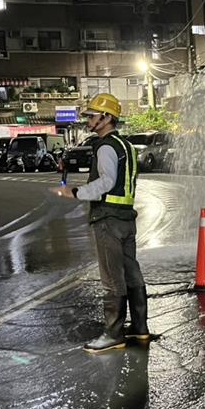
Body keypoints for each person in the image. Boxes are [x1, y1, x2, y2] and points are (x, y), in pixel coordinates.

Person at [51, 93, 151, 353]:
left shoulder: (106, 146)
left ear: (106, 118)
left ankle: (114, 334)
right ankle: (140, 327)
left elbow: (106, 182)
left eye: (92, 116)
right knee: (131, 272)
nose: (88, 120)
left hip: (108, 219)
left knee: (111, 277)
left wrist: (76, 192)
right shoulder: (126, 146)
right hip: (127, 217)